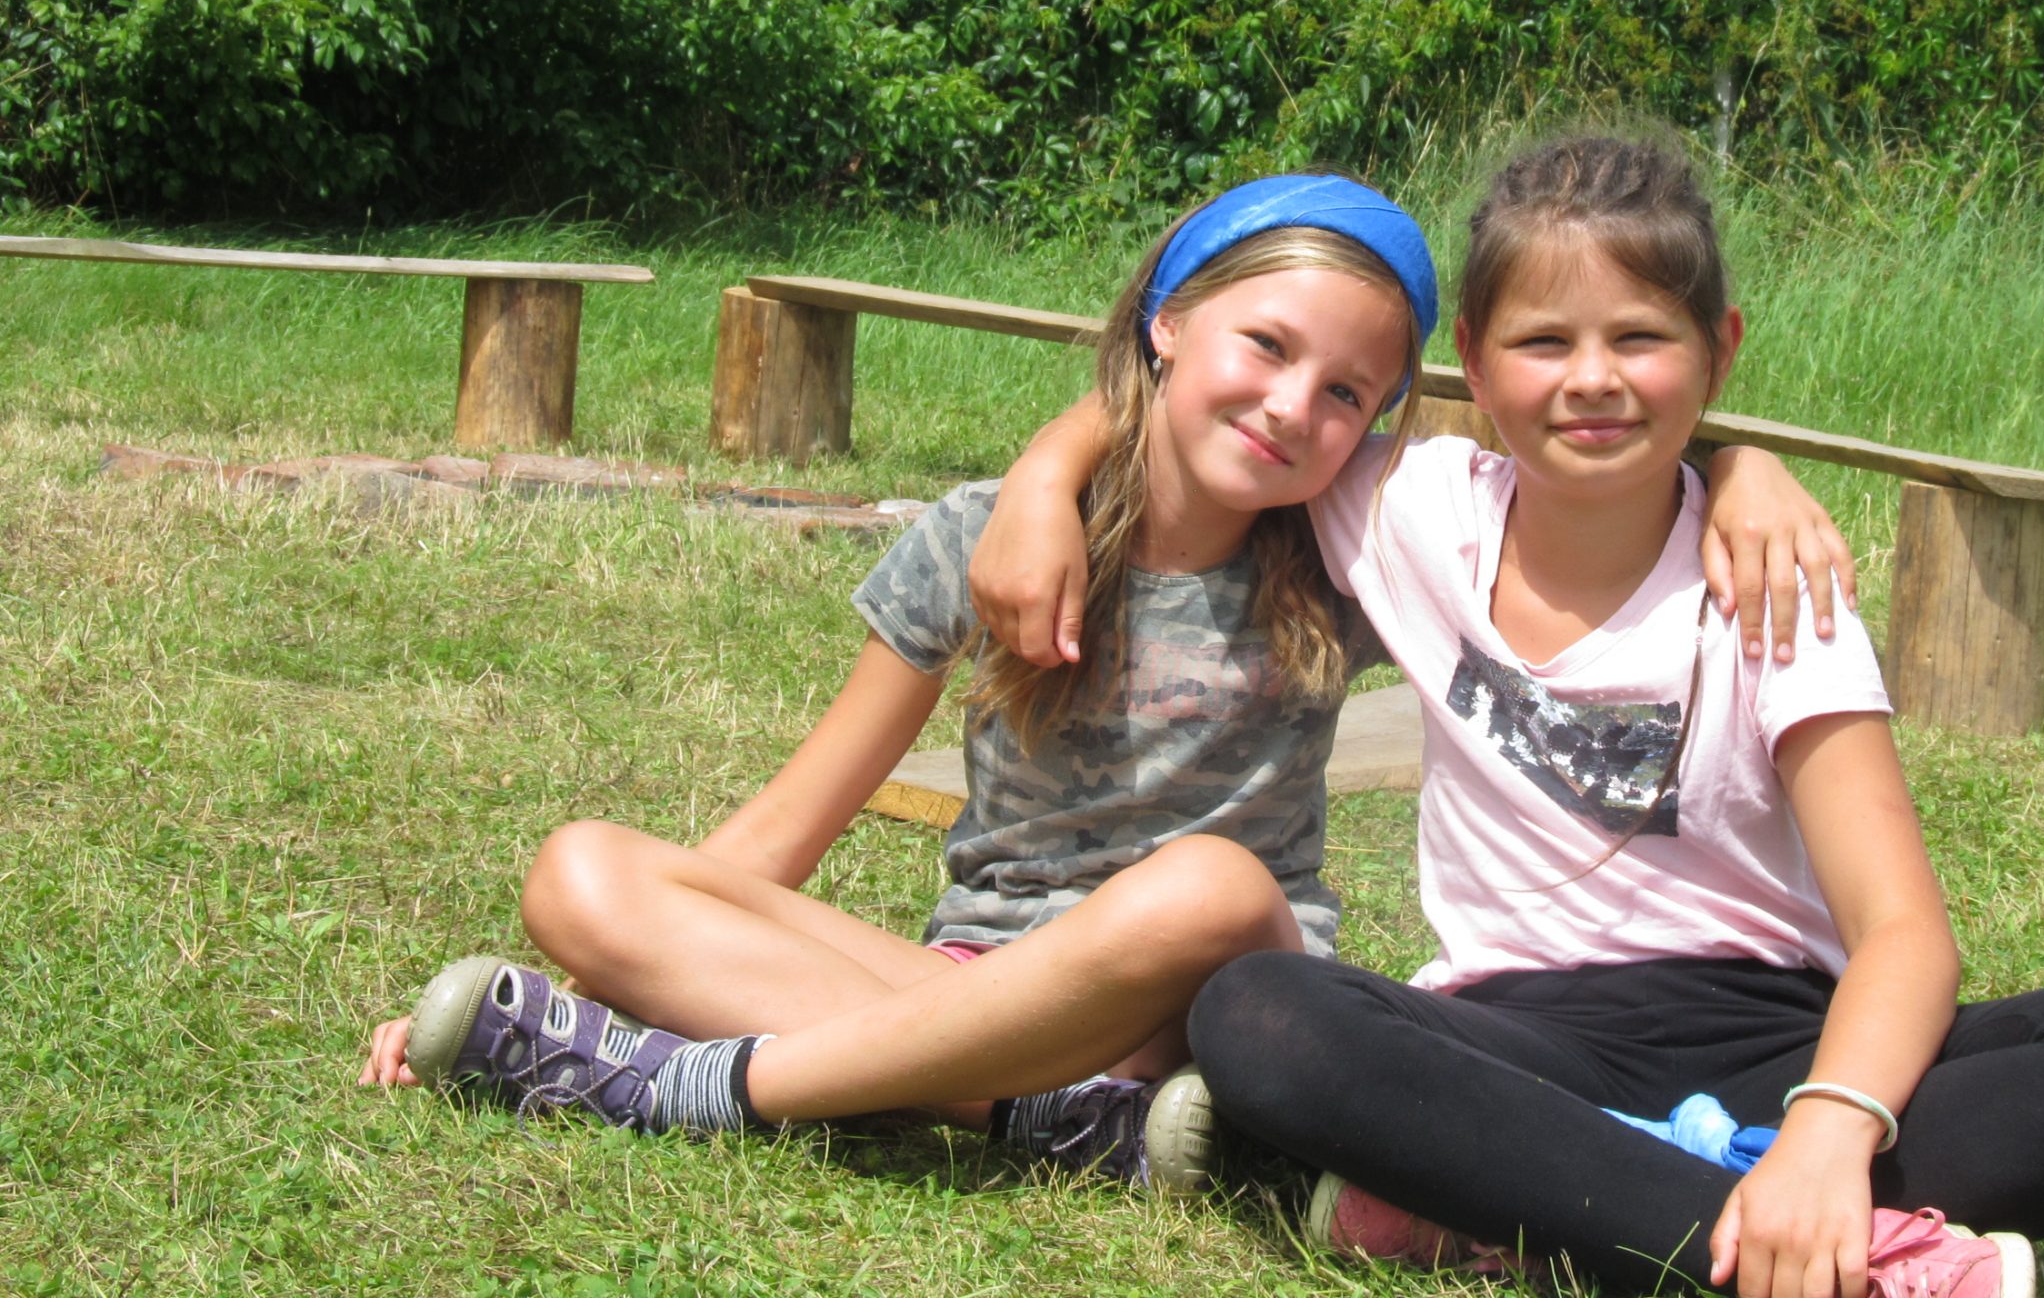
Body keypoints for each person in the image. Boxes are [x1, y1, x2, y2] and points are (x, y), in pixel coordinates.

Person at [356, 170, 1856, 1191]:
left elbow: (1578, 454)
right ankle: (1059, 1121)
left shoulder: (1354, 552)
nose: (1294, 407)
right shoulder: (979, 539)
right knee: (585, 871)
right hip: (965, 982)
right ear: (1169, 320)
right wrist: (598, 981)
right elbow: (789, 828)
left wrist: (1741, 469)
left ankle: (726, 1082)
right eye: (1265, 346)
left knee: (1202, 884)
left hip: (1215, 991)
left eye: (1348, 393)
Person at [973, 135, 2044, 1293]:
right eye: (1543, 344)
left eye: (1640, 338)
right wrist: (1042, 475)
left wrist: (1825, 1133)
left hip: (1773, 1041)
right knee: (1259, 1012)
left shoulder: (1775, 590)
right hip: (1511, 1040)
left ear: (1718, 352)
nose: (1592, 381)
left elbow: (1902, 934)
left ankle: (1536, 1206)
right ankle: (1811, 1253)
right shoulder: (1406, 508)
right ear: (1474, 362)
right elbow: (1197, 386)